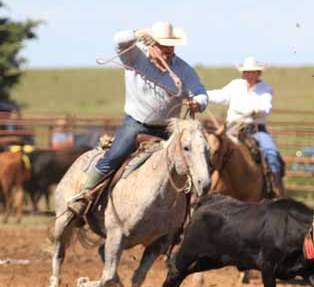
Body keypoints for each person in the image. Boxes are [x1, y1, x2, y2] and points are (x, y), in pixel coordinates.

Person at [67, 21, 208, 215]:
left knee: (190, 161)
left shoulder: (183, 69)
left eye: (170, 45)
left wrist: (198, 103)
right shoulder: (134, 56)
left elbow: (200, 91)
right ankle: (83, 196)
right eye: (162, 45)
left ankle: (187, 211)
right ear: (152, 43)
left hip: (169, 129)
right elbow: (118, 40)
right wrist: (138, 33)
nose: (168, 50)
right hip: (136, 125)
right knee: (114, 156)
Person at [207, 56, 284, 194]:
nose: (248, 75)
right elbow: (222, 96)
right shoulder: (235, 85)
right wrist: (202, 95)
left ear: (258, 73)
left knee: (271, 154)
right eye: (246, 72)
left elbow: (266, 107)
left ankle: (275, 190)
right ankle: (203, 188)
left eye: (252, 72)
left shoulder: (265, 89)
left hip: (255, 130)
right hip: (231, 129)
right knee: (212, 151)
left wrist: (256, 110)